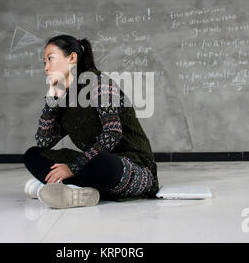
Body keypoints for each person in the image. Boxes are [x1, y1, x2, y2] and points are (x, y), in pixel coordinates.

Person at [23, 34, 159, 209]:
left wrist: (73, 167)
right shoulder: (65, 96)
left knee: (104, 164)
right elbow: (44, 142)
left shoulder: (99, 84)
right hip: (91, 163)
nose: (46, 67)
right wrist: (51, 102)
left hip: (133, 165)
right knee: (33, 155)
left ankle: (64, 186)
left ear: (72, 57)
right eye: (44, 63)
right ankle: (80, 191)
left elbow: (113, 133)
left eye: (50, 59)